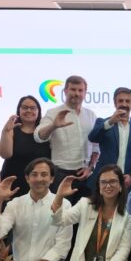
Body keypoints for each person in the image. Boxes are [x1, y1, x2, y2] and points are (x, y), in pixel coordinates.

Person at [35, 75, 99, 203]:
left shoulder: (91, 115)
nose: (76, 93)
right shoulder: (53, 113)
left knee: (85, 214)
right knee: (60, 213)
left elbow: (96, 147)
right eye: (73, 89)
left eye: (80, 90)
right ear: (65, 91)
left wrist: (91, 167)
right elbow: (38, 136)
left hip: (86, 176)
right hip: (61, 176)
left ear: (85, 93)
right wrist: (53, 125)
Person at [0, 95, 51, 195]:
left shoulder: (45, 131)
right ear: (19, 110)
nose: (28, 110)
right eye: (24, 107)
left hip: (40, 183)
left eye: (33, 108)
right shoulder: (11, 129)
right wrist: (6, 131)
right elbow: (5, 155)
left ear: (38, 111)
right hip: (14, 183)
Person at [87, 87, 131, 191]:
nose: (124, 104)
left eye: (127, 101)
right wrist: (110, 122)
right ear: (115, 103)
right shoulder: (103, 122)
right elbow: (92, 137)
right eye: (120, 101)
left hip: (127, 183)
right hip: (103, 181)